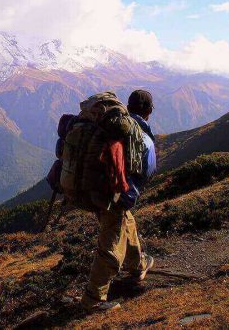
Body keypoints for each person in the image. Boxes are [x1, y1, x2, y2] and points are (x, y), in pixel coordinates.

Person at [81, 89, 157, 312]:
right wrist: (126, 196)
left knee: (126, 221)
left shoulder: (108, 126)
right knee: (111, 244)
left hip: (91, 188)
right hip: (112, 195)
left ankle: (137, 265)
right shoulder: (142, 138)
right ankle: (94, 298)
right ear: (149, 112)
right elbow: (146, 172)